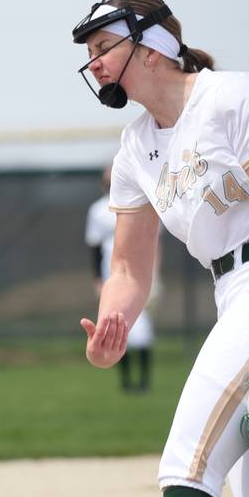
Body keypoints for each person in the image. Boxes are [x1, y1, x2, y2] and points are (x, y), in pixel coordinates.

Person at [72, 0, 249, 497]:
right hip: (236, 294)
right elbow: (129, 269)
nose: (95, 62)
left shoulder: (230, 97)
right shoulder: (135, 149)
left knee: (187, 466)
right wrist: (114, 323)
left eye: (105, 45)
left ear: (151, 49)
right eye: (91, 51)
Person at [85, 165, 156, 393]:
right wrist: (97, 279)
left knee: (142, 329)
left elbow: (155, 242)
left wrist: (157, 274)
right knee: (113, 327)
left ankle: (144, 381)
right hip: (113, 276)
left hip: (139, 275)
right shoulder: (97, 210)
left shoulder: (144, 203)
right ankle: (126, 382)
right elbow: (94, 248)